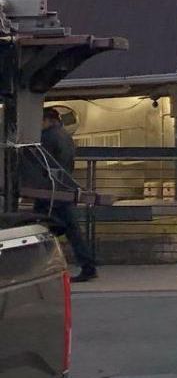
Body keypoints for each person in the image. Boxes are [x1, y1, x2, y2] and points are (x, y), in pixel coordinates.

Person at [33, 108, 96, 282]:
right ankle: (86, 265)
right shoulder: (65, 136)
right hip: (63, 187)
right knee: (69, 229)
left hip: (50, 190)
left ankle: (42, 266)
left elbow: (38, 161)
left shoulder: (47, 137)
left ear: (47, 120)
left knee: (38, 227)